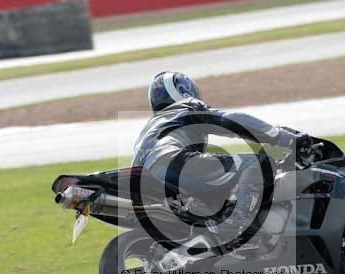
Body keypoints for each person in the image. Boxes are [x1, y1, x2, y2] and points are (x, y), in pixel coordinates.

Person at [132, 71, 312, 242]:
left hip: (146, 180)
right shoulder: (185, 107)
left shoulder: (150, 127)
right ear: (182, 90)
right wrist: (280, 136)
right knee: (257, 163)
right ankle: (238, 223)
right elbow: (229, 120)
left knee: (214, 202)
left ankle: (207, 237)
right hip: (172, 162)